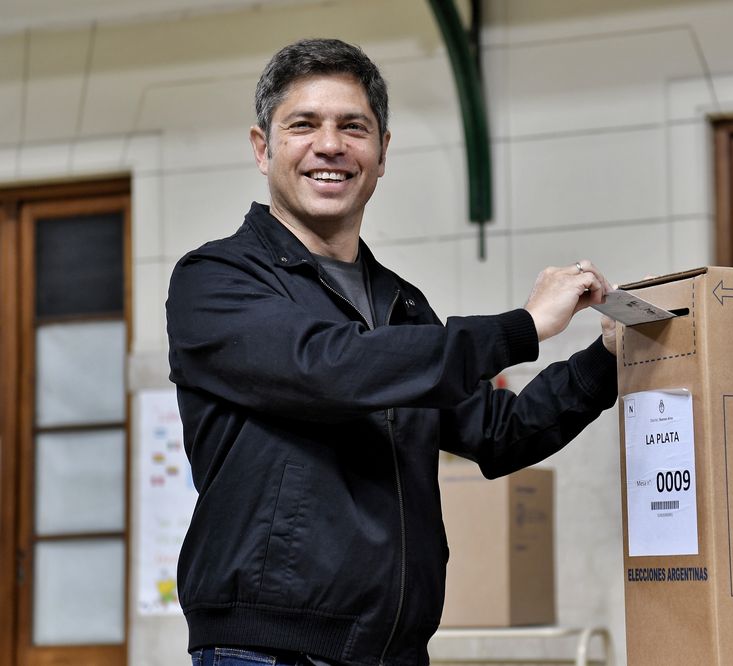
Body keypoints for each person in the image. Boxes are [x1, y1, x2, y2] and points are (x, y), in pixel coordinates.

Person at [166, 38, 619, 666]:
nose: (331, 145)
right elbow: (331, 369)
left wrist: (616, 355)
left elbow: (497, 432)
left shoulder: (402, 304)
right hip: (267, 652)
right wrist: (521, 326)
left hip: (394, 652)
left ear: (380, 156)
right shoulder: (216, 280)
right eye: (304, 125)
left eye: (354, 127)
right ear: (262, 147)